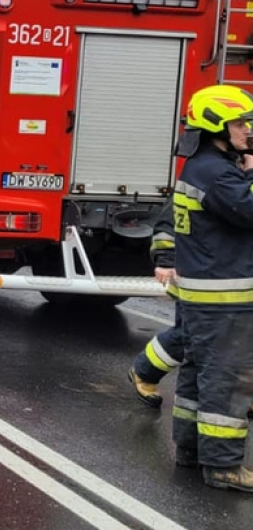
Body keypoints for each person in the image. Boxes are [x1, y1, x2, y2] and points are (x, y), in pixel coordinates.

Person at [169, 84, 253, 490]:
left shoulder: (200, 167)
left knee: (197, 375)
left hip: (204, 297)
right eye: (239, 123)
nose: (245, 131)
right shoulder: (218, 174)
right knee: (227, 380)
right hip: (225, 300)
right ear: (216, 125)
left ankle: (189, 449)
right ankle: (223, 465)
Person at [127, 205, 186, 409]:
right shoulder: (203, 175)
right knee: (191, 335)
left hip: (239, 275)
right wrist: (166, 259)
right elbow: (171, 220)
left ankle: (241, 393)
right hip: (205, 277)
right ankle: (144, 371)